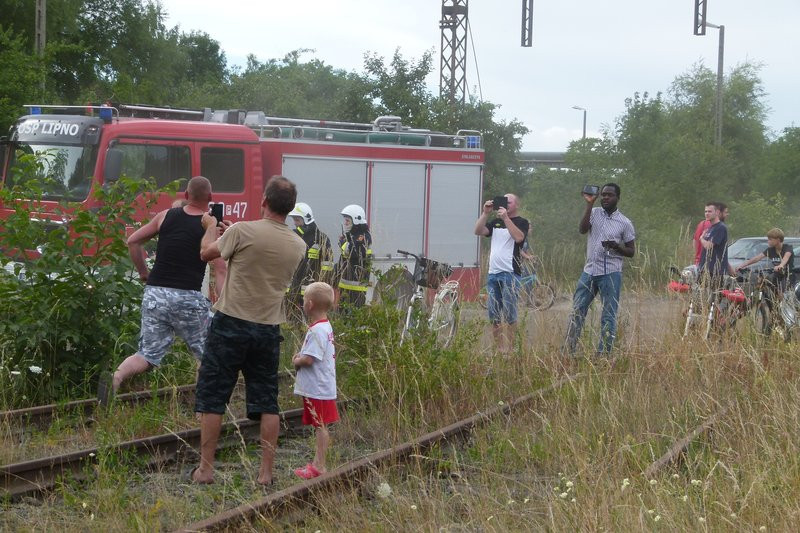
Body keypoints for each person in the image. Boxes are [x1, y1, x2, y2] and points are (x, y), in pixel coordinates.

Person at [191, 176, 306, 485]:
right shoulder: (299, 244)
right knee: (267, 401)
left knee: (214, 396)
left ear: (264, 202)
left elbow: (207, 254)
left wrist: (210, 229)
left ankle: (206, 469)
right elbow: (263, 255)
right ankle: (266, 474)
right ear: (290, 208)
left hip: (230, 322)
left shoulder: (242, 231)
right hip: (268, 329)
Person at [98, 176, 226, 404]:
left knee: (146, 354)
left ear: (186, 196)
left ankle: (116, 378)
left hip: (156, 294)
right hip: (188, 297)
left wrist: (143, 273)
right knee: (209, 353)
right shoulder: (210, 227)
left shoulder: (165, 216)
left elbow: (133, 241)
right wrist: (223, 302)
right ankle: (203, 405)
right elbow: (220, 269)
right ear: (210, 198)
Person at [563, 183, 635, 356]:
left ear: (618, 197)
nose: (605, 198)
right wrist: (589, 203)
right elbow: (582, 230)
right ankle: (568, 351)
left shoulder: (624, 222)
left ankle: (603, 354)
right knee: (577, 311)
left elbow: (631, 251)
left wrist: (616, 246)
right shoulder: (594, 213)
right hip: (589, 271)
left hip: (611, 273)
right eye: (603, 195)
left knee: (608, 315)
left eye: (609, 195)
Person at [291, 282, 339, 480]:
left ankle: (319, 465)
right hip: (321, 386)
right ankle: (318, 463)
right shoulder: (324, 326)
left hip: (317, 388)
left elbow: (310, 359)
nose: (302, 303)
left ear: (309, 305)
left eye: (304, 300)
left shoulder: (317, 331)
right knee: (320, 425)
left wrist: (297, 360)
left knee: (320, 425)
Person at [474, 193, 529, 353]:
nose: (505, 204)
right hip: (493, 273)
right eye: (504, 201)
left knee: (510, 312)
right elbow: (478, 231)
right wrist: (485, 213)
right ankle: (499, 348)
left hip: (511, 273)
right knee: (494, 313)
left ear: (516, 205)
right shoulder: (495, 222)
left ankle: (510, 349)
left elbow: (519, 238)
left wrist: (506, 219)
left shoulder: (522, 222)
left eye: (509, 202)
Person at [287, 202, 334, 319]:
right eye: (294, 220)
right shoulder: (294, 236)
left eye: (297, 220)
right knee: (291, 319)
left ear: (306, 219)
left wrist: (323, 286)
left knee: (309, 320)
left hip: (312, 290)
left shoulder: (321, 238)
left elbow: (327, 266)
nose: (295, 223)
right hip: (294, 287)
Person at [734, 228, 795, 294]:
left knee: (783, 292)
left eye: (770, 239)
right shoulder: (770, 250)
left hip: (788, 275)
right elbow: (757, 258)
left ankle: (784, 302)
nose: (768, 241)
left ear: (778, 240)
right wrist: (742, 265)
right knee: (772, 291)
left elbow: (786, 258)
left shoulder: (788, 248)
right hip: (777, 275)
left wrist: (781, 265)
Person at [336, 204, 373, 310]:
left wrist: (343, 241)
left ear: (356, 220)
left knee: (353, 316)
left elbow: (352, 252)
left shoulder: (363, 236)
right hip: (346, 285)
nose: (345, 223)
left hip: (356, 288)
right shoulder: (351, 236)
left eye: (347, 220)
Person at [698, 202, 729, 285]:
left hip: (715, 271)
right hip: (705, 268)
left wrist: (701, 238)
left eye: (709, 211)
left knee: (713, 296)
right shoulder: (711, 228)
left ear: (717, 212)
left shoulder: (720, 227)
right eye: (705, 211)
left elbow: (709, 246)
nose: (707, 214)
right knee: (701, 294)